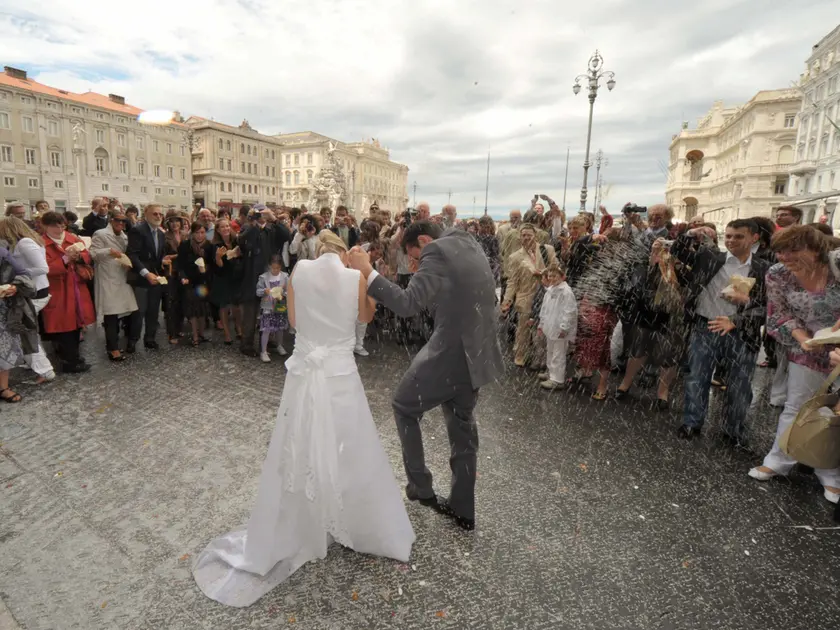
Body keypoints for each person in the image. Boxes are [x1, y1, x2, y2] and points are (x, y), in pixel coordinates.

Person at [193, 229, 414, 607]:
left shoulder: (298, 274)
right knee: (350, 445)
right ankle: (354, 518)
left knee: (299, 445)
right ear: (344, 253)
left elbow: (294, 322)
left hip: (305, 375)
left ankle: (305, 517)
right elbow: (365, 316)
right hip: (340, 375)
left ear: (315, 249)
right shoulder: (354, 277)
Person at [349, 220, 505, 531]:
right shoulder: (466, 240)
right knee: (463, 430)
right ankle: (463, 510)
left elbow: (408, 303)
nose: (418, 265)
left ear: (424, 240)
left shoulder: (436, 249)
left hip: (451, 351)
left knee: (404, 406)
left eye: (416, 258)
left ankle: (420, 486)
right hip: (477, 352)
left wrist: (368, 272)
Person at [748, 226, 840, 504]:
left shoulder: (837, 264)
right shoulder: (778, 273)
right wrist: (804, 340)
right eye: (781, 250)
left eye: (793, 249)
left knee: (836, 411)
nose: (784, 256)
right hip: (806, 348)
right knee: (797, 405)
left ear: (816, 249)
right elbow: (779, 313)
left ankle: (829, 470)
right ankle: (780, 459)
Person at [0, 217, 55, 383]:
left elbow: (43, 268)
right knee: (26, 330)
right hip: (34, 290)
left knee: (26, 331)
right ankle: (36, 365)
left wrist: (18, 276)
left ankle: (44, 371)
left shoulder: (24, 243)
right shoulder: (28, 240)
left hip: (34, 292)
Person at [40, 211, 95, 372]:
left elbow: (87, 256)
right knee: (63, 326)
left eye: (61, 225)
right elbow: (44, 268)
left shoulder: (73, 238)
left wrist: (78, 257)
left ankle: (73, 357)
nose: (59, 228)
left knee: (77, 323)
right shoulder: (41, 243)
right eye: (54, 225)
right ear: (45, 226)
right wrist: (65, 259)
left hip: (76, 287)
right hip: (58, 289)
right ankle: (69, 361)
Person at [126, 204, 166, 353]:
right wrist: (145, 273)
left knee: (154, 311)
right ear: (146, 215)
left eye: (160, 214)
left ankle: (150, 338)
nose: (158, 216)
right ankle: (132, 341)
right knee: (139, 312)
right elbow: (132, 255)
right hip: (141, 278)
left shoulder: (161, 233)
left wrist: (163, 260)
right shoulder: (137, 230)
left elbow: (157, 256)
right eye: (155, 214)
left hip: (155, 278)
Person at [536, 263, 577, 390]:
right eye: (550, 276)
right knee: (551, 351)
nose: (552, 279)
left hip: (559, 329)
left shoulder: (566, 292)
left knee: (558, 354)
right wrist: (542, 324)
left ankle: (557, 379)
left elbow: (569, 311)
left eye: (555, 276)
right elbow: (545, 309)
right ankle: (550, 373)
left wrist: (564, 327)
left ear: (562, 276)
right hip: (550, 327)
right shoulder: (550, 290)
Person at [210, 218, 244, 345]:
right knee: (224, 306)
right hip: (222, 278)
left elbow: (242, 258)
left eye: (227, 226)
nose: (226, 229)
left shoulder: (236, 241)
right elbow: (218, 266)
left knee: (236, 306)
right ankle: (227, 333)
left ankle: (238, 327)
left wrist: (239, 254)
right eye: (222, 227)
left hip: (235, 277)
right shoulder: (215, 245)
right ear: (218, 230)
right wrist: (218, 257)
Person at [178, 222, 212, 347]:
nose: (199, 235)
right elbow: (180, 264)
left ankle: (202, 334)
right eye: (197, 232)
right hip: (190, 282)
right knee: (192, 310)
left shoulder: (209, 246)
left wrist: (206, 269)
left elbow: (212, 264)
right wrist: (183, 277)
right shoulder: (185, 245)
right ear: (192, 233)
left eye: (202, 232)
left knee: (202, 309)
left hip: (203, 283)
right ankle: (195, 336)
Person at [255, 255, 289, 362]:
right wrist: (264, 291)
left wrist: (283, 293)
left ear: (280, 267)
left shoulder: (285, 277)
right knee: (266, 329)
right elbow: (257, 292)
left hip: (279, 305)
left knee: (280, 328)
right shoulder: (263, 277)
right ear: (269, 266)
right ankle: (264, 351)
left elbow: (288, 291)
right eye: (273, 268)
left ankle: (279, 345)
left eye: (277, 268)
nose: (275, 270)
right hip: (267, 306)